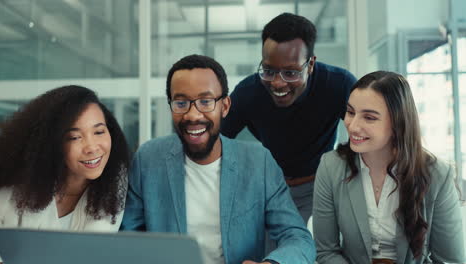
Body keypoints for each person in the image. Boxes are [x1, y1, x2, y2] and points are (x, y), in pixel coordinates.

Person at [120, 54, 315, 264]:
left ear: (225, 106)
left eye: (206, 101)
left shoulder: (259, 163)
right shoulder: (148, 159)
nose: (193, 115)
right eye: (181, 102)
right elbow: (128, 239)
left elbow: (299, 239)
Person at [312, 71, 465, 264]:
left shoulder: (438, 175)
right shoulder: (331, 166)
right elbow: (326, 251)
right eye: (351, 112)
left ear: (397, 123)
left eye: (369, 117)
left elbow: (450, 260)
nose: (352, 126)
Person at [221, 12, 356, 222]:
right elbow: (215, 141)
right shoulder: (248, 92)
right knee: (266, 251)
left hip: (321, 185)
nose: (277, 83)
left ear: (310, 64)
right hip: (272, 187)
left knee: (319, 247)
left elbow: (367, 134)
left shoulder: (338, 85)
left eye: (291, 73)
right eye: (269, 70)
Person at [0, 85, 130, 262]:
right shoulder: (10, 190)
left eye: (99, 132)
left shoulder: (113, 179)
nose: (92, 147)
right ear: (50, 144)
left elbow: (92, 251)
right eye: (74, 137)